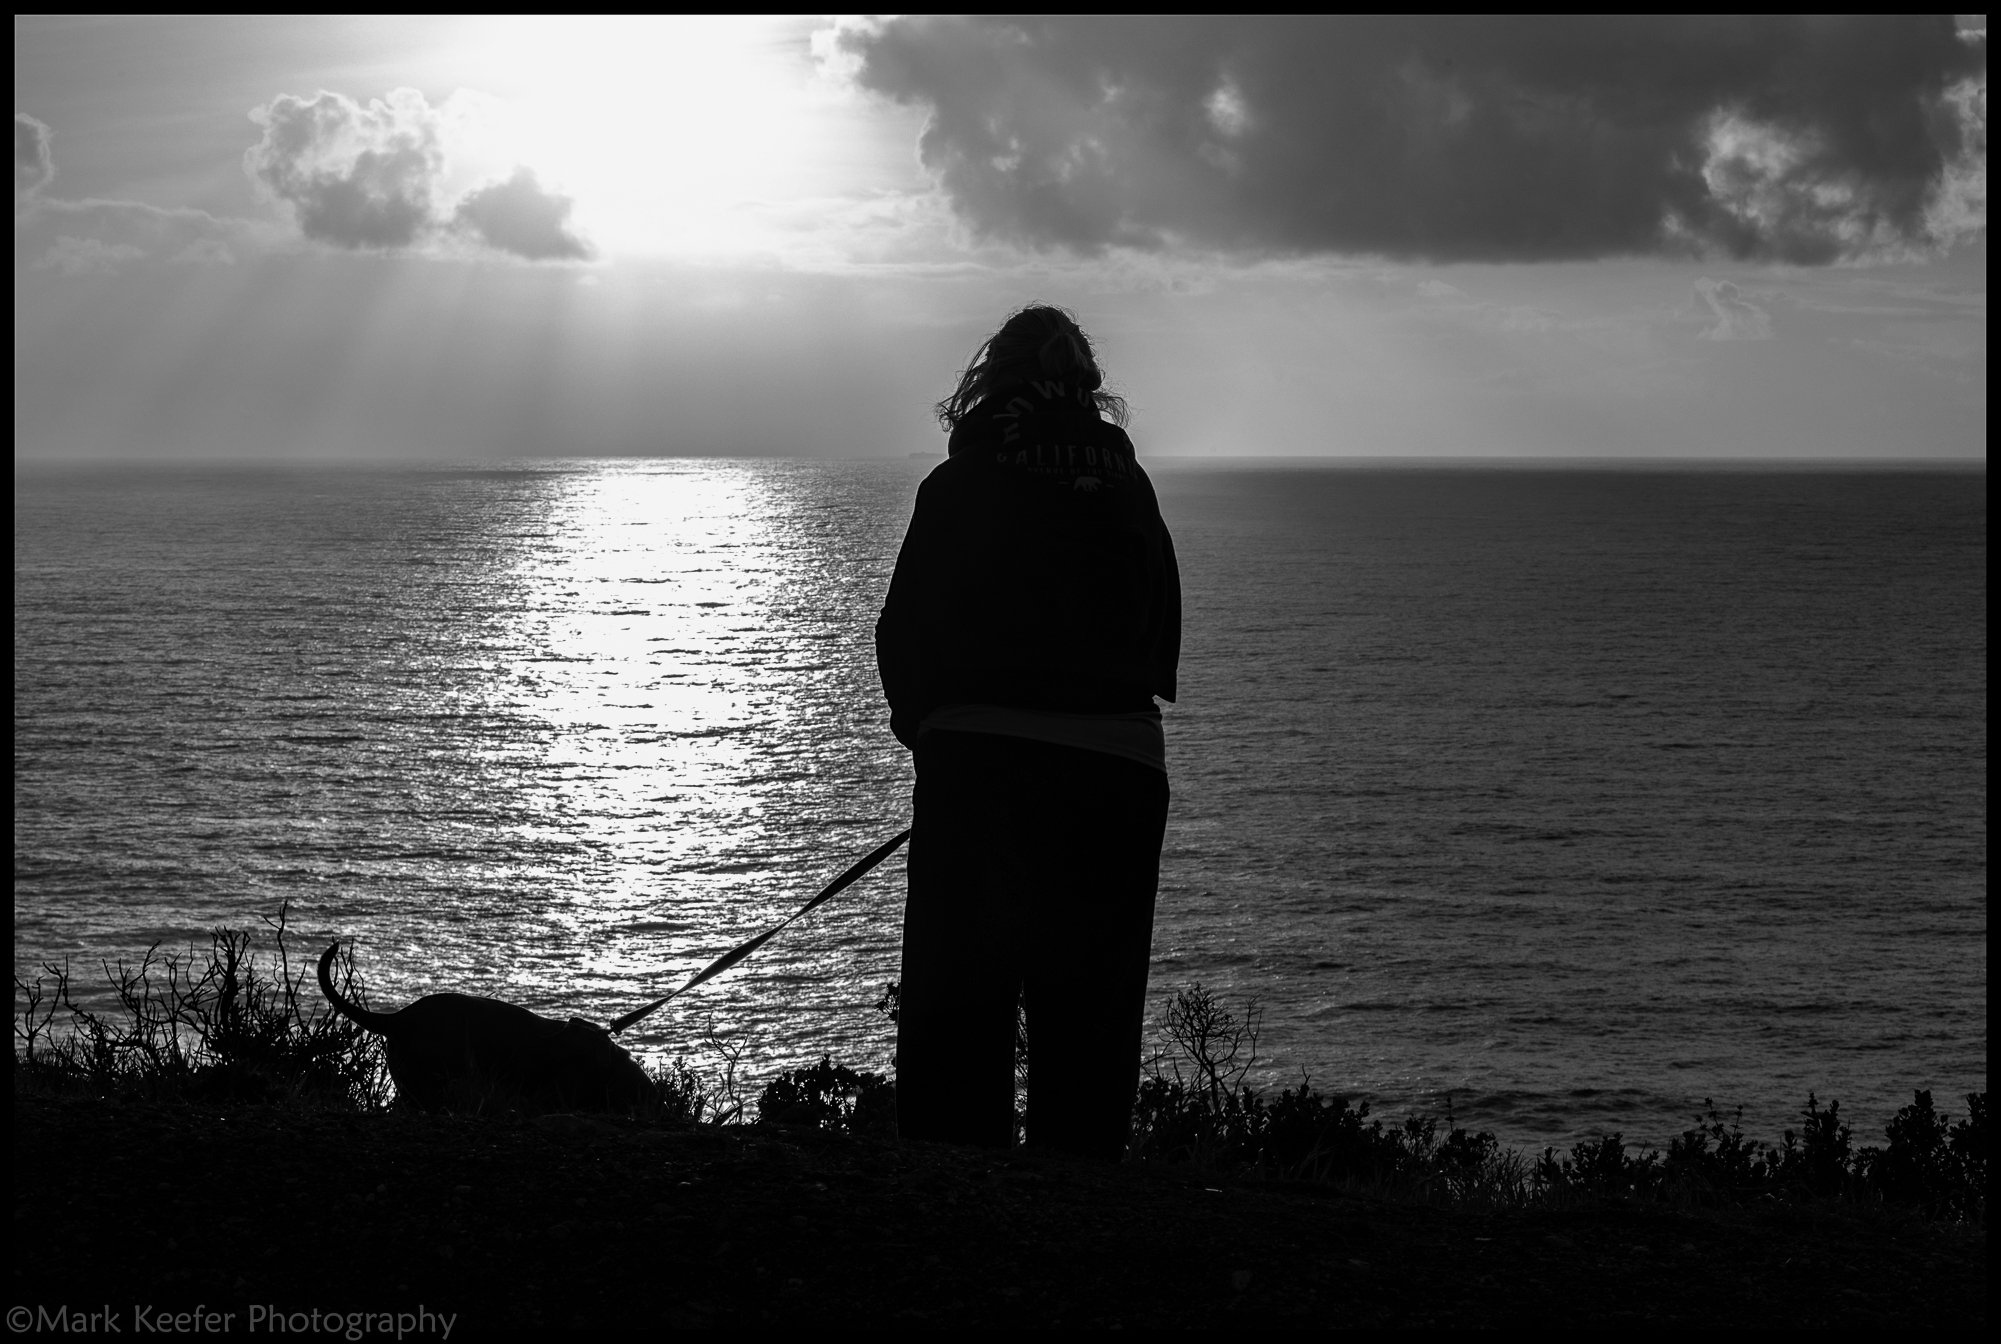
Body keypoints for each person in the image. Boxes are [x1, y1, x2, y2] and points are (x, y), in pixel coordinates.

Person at [875, 303, 1181, 1160]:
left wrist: (933, 737)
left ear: (986, 384)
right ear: (1088, 390)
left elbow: (904, 633)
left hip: (977, 768)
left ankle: (953, 1222)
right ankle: (1079, 1226)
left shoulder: (960, 482)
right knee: (1091, 1018)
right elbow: (1160, 629)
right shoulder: (1130, 485)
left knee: (956, 1015)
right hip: (1118, 769)